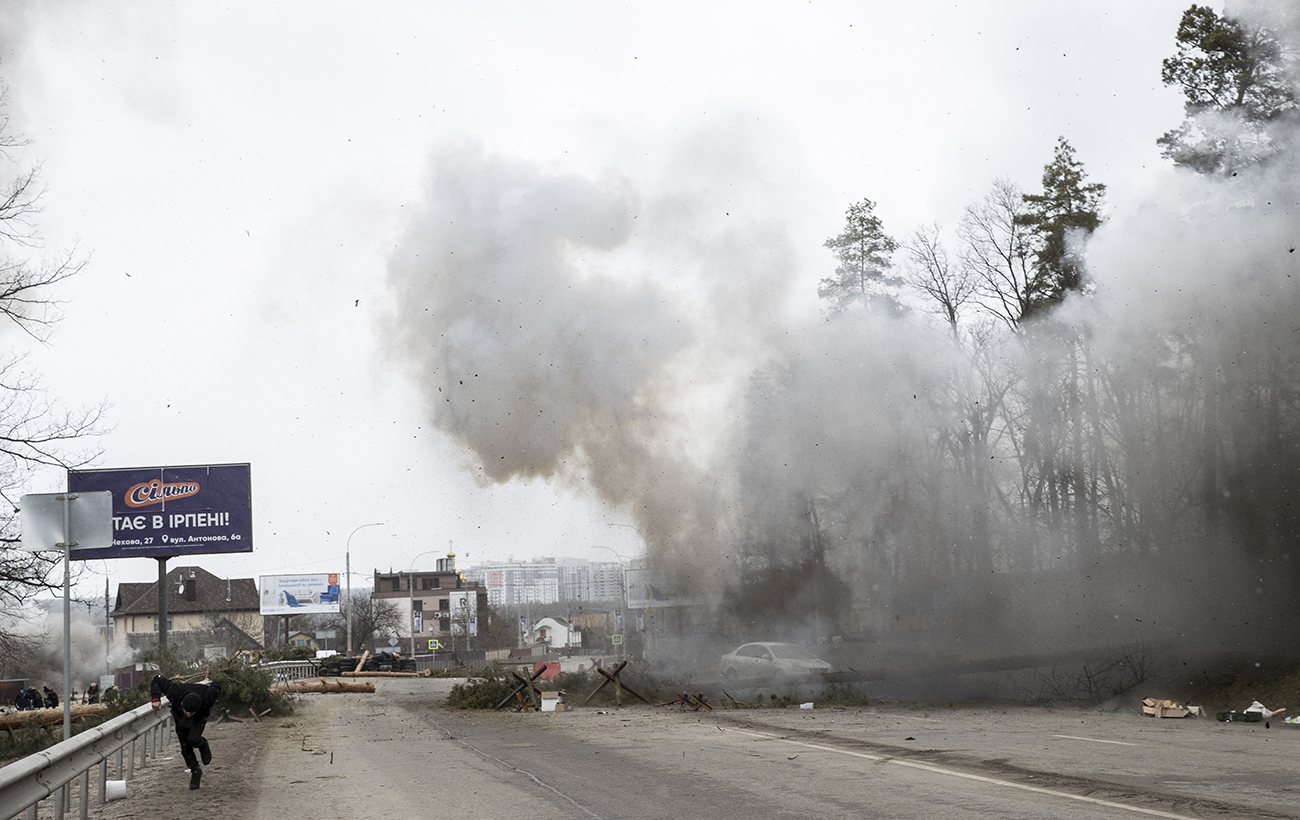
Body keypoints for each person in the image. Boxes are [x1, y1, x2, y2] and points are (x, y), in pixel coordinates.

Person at [150, 675, 221, 790]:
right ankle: (195, 771)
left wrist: (211, 684)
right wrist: (155, 699)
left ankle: (202, 743)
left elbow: (217, 685)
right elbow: (157, 679)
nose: (188, 714)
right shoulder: (175, 691)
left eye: (191, 712)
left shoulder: (208, 696)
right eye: (187, 711)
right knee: (185, 748)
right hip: (179, 718)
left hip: (199, 718)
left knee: (193, 739)